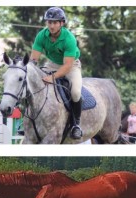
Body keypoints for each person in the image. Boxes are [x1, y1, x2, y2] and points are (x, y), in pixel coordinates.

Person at [30, 7, 83, 139]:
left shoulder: (69, 38)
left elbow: (67, 65)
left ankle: (76, 124)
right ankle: (27, 122)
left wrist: (52, 77)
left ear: (62, 23)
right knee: (33, 85)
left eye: (55, 22)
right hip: (51, 64)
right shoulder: (41, 35)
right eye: (49, 22)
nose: (51, 25)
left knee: (76, 92)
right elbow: (34, 59)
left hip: (71, 66)